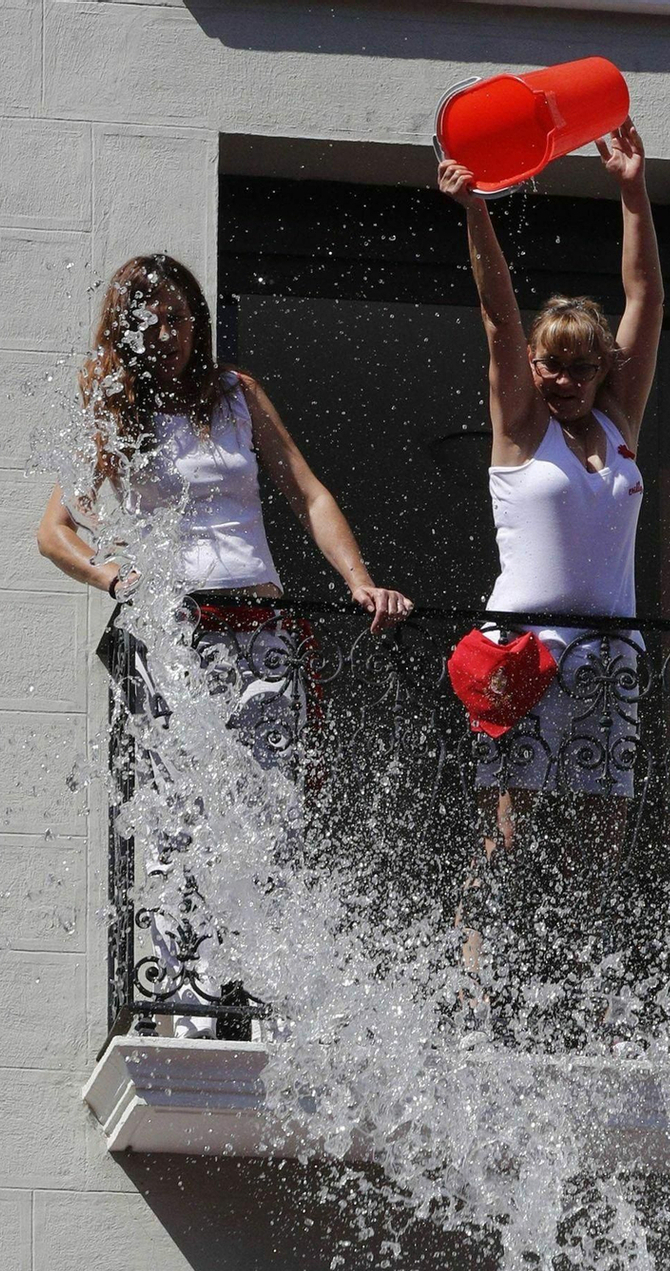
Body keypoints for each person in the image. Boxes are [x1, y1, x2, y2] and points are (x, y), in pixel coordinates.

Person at [36, 253, 412, 1030]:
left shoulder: (236, 396)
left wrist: (358, 580)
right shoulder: (114, 412)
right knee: (178, 816)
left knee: (265, 811)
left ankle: (246, 987)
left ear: (197, 320)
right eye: (153, 320)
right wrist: (113, 579)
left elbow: (307, 493)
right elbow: (54, 530)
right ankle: (184, 1004)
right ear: (128, 330)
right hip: (176, 636)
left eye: (180, 316)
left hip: (260, 633)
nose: (168, 334)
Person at [437, 124, 663, 1013]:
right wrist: (477, 214)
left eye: (579, 363)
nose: (563, 376)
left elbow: (643, 294)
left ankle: (576, 982)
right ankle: (475, 969)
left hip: (611, 651)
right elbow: (498, 312)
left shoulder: (619, 426)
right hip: (524, 650)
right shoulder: (520, 429)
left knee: (600, 834)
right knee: (512, 822)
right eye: (550, 362)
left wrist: (635, 193)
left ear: (602, 367)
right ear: (533, 367)